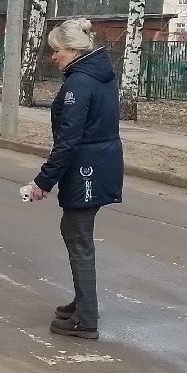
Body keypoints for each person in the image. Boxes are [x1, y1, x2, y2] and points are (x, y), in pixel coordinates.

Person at [23, 18, 124, 339]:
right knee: (74, 231)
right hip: (98, 162)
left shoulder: (79, 84)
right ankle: (83, 304)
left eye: (57, 50)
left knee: (78, 237)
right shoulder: (98, 75)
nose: (53, 57)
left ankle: (86, 319)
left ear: (74, 49)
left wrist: (42, 181)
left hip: (87, 168)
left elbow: (68, 140)